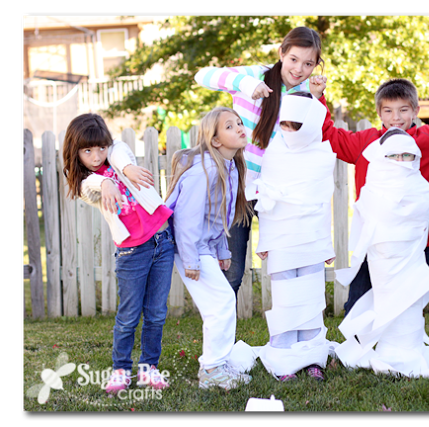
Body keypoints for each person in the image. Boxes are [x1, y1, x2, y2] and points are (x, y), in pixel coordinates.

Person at [317, 77, 429, 356]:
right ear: (379, 112)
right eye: (388, 110)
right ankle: (356, 354)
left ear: (415, 111)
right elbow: (330, 137)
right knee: (356, 305)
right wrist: (319, 97)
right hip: (377, 245)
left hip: (421, 244)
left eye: (403, 110)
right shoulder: (366, 143)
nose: (396, 117)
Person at [194, 26, 327, 298]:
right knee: (232, 271)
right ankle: (221, 324)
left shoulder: (308, 91)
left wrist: (316, 99)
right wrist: (246, 85)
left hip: (278, 194)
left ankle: (291, 320)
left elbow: (309, 141)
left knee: (286, 266)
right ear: (281, 53)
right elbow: (202, 75)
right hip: (239, 190)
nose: (299, 69)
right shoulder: (255, 75)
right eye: (293, 59)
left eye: (308, 63)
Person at [334, 128, 429, 377]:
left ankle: (414, 351)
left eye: (406, 156)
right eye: (394, 156)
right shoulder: (373, 188)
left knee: (410, 308)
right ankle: (371, 349)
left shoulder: (422, 190)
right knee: (377, 304)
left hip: (412, 258)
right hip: (382, 261)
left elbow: (422, 218)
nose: (400, 161)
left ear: (415, 157)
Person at [62, 113, 174, 393]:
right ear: (76, 152)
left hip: (162, 241)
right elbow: (90, 186)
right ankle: (121, 370)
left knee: (156, 313)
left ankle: (149, 368)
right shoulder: (86, 183)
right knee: (129, 316)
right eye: (87, 151)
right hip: (132, 253)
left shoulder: (117, 157)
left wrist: (127, 168)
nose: (96, 156)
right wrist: (105, 183)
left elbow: (118, 150)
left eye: (100, 147)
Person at [250, 92, 337, 381]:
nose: (289, 132)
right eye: (284, 125)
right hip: (281, 238)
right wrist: (264, 241)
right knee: (286, 298)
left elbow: (323, 203)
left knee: (310, 297)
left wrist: (326, 244)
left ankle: (312, 357)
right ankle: (283, 358)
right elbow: (266, 201)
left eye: (295, 126)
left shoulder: (321, 156)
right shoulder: (273, 153)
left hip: (311, 239)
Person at [165, 107, 253, 390]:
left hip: (202, 246)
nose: (239, 128)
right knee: (222, 303)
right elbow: (186, 218)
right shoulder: (205, 170)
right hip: (189, 247)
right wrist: (191, 260)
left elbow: (217, 217)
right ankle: (212, 369)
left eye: (239, 123)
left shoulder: (229, 167)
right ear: (215, 140)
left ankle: (217, 365)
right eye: (229, 126)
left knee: (221, 303)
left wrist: (222, 251)